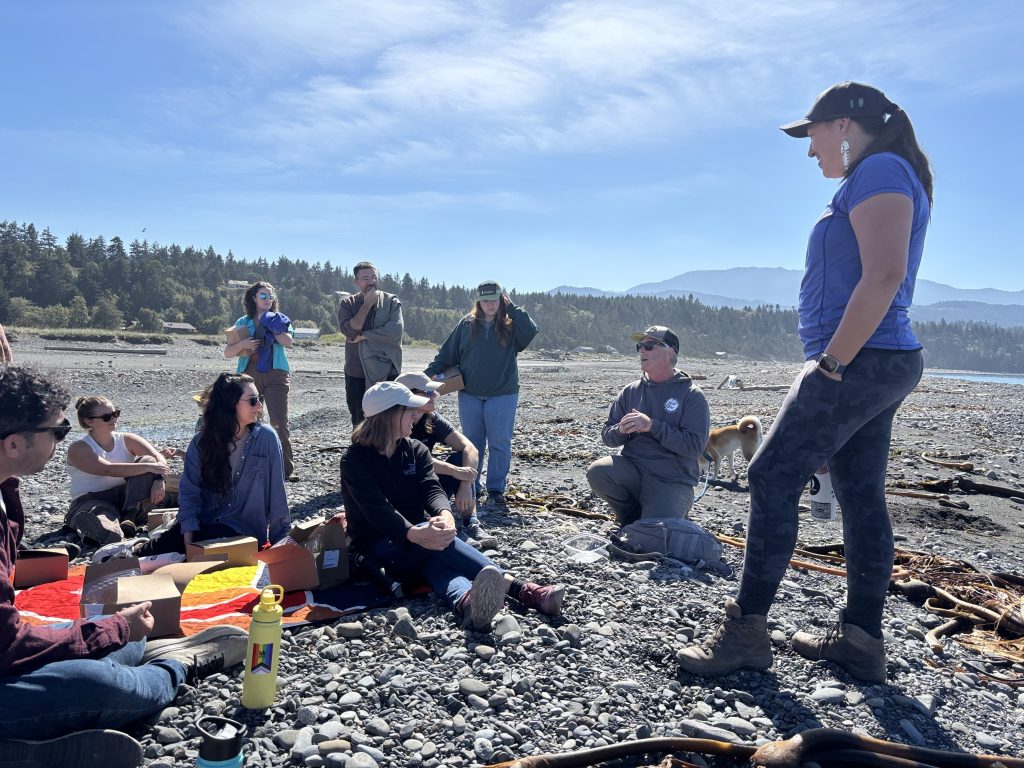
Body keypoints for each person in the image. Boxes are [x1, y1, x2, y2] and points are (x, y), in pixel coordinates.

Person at [678, 82, 932, 684]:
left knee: (771, 473)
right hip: (876, 359)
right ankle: (861, 640)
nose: (809, 147)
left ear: (844, 125)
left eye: (812, 133)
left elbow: (886, 274)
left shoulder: (882, 171)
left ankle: (746, 633)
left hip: (860, 360)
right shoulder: (876, 173)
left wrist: (832, 365)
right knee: (860, 491)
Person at [0, 365, 246, 767]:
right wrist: (112, 628)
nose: (61, 442)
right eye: (56, 432)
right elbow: (7, 645)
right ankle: (175, 666)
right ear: (13, 444)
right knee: (96, 683)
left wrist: (113, 631)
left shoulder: (5, 492)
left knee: (111, 638)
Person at [339, 382, 564, 630]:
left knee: (434, 558)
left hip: (420, 545)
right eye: (410, 410)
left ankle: (468, 604)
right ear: (390, 415)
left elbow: (431, 488)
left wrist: (445, 515)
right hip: (377, 550)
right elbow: (377, 509)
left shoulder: (415, 450)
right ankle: (522, 589)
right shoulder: (354, 460)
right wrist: (415, 533)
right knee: (436, 545)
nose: (416, 415)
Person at [94, 372, 291, 561]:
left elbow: (276, 496)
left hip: (245, 534)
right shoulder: (202, 442)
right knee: (154, 557)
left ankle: (147, 547)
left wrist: (280, 545)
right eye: (252, 400)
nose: (259, 406)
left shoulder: (266, 438)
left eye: (259, 399)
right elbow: (190, 494)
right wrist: (188, 543)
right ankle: (138, 549)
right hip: (203, 525)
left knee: (190, 551)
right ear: (230, 405)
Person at [424, 281, 538, 505]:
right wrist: (425, 377)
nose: (489, 304)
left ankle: (496, 489)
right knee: (473, 442)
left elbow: (532, 330)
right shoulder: (466, 324)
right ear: (478, 301)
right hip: (470, 394)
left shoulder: (511, 325)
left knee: (499, 443)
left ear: (502, 299)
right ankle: (472, 485)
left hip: (503, 393)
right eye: (485, 300)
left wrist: (513, 308)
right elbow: (447, 355)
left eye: (494, 299)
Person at [587, 326, 710, 524]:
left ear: (671, 352)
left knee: (660, 532)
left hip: (670, 480)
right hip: (633, 470)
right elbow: (607, 435)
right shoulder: (630, 391)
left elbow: (694, 447)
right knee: (598, 471)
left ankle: (663, 513)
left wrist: (653, 426)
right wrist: (620, 430)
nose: (642, 350)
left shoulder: (692, 395)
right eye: (640, 346)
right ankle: (630, 517)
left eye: (650, 345)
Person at [395, 371, 495, 549]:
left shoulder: (431, 419)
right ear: (408, 395)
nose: (434, 395)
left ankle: (471, 524)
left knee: (460, 458)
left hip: (427, 486)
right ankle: (444, 530)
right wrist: (456, 471)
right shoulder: (393, 421)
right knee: (455, 467)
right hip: (402, 490)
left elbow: (470, 448)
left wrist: (465, 483)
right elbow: (412, 459)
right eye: (427, 393)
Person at [65, 396, 169, 545]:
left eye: (116, 414)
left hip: (128, 499)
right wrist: (149, 467)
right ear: (89, 421)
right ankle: (108, 532)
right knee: (99, 513)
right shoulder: (78, 448)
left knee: (149, 460)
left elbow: (160, 459)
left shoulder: (127, 439)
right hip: (92, 499)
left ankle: (129, 518)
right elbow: (107, 469)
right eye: (107, 417)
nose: (114, 419)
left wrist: (159, 478)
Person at [224, 281, 297, 481]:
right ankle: (248, 464)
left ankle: (285, 469)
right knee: (249, 420)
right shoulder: (243, 321)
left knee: (278, 421)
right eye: (263, 296)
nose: (267, 300)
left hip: (277, 375)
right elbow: (228, 353)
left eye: (270, 296)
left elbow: (288, 342)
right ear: (254, 298)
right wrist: (243, 344)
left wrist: (273, 327)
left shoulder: (281, 319)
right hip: (249, 376)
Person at [337, 261, 404, 426]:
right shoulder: (348, 304)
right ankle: (361, 451)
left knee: (388, 419)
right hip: (356, 371)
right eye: (365, 278)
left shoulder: (391, 302)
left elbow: (394, 331)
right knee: (360, 419)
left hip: (387, 369)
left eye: (374, 277)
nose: (371, 281)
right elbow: (350, 332)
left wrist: (365, 336)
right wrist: (367, 304)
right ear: (357, 282)